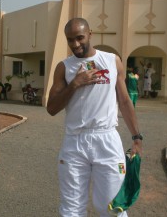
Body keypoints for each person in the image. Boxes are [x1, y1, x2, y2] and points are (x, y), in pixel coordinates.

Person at [47, 18, 143, 217]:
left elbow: (124, 101)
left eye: (80, 38)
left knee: (112, 207)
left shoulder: (111, 61)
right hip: (74, 142)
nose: (75, 44)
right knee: (71, 209)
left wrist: (137, 137)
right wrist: (75, 83)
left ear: (90, 34)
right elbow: (52, 108)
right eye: (70, 40)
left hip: (106, 139)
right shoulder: (64, 67)